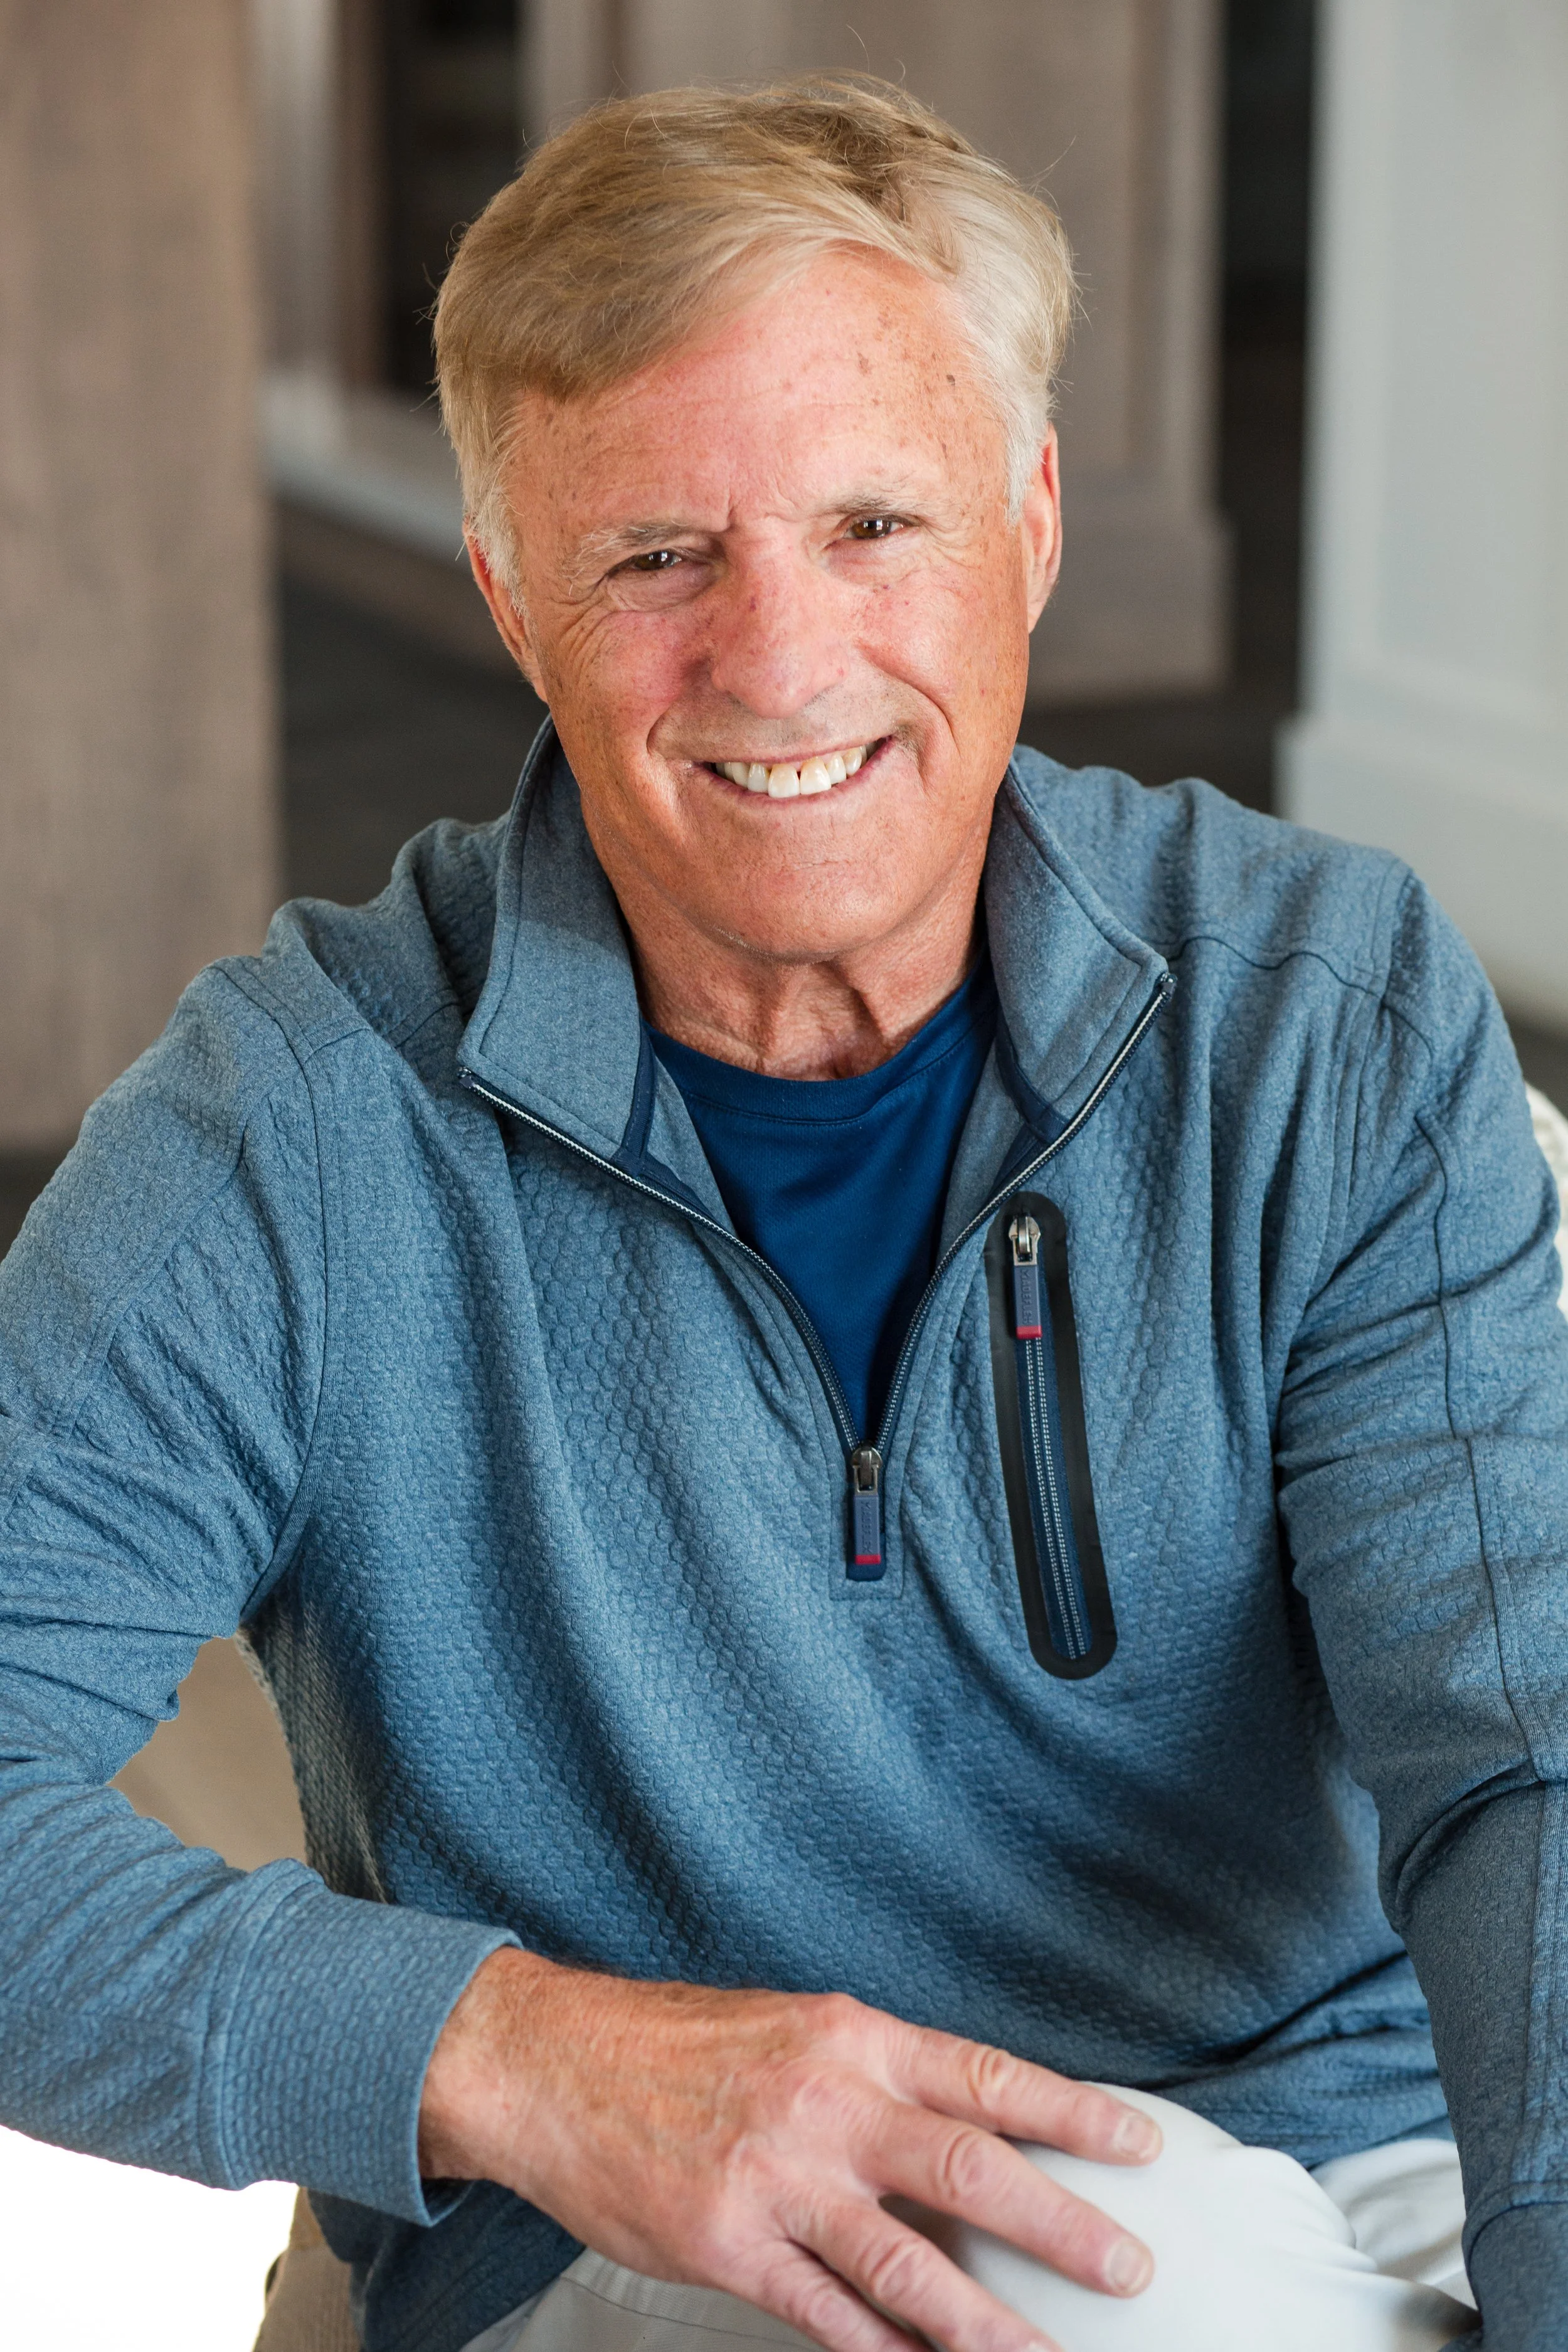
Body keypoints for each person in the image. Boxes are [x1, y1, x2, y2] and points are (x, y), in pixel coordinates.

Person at [1, 77, 1563, 2352]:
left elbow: (1523, 1759)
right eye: (655, 555)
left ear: (1030, 522)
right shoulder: (291, 1124)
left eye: (871, 523)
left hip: (1347, 2165)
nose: (778, 656)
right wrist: (510, 2048)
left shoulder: (1323, 1018)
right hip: (647, 2236)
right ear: (512, 596)